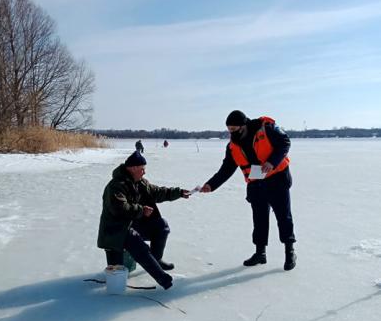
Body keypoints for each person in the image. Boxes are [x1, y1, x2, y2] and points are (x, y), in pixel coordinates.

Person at [200, 110, 296, 270]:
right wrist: (211, 184)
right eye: (229, 130)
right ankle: (260, 253)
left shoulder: (267, 128)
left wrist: (272, 162)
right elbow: (226, 168)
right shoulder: (232, 146)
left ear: (243, 126)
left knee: (283, 216)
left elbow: (284, 142)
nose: (231, 133)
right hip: (256, 182)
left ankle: (290, 251)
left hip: (277, 178)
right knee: (259, 219)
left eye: (234, 129)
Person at [97, 151, 190, 289]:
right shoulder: (116, 185)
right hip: (115, 230)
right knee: (138, 244)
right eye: (142, 169)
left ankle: (156, 260)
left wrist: (180, 192)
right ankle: (165, 281)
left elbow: (158, 192)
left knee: (161, 226)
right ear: (133, 168)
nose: (144, 172)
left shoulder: (140, 182)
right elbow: (120, 208)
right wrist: (141, 210)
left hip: (132, 224)